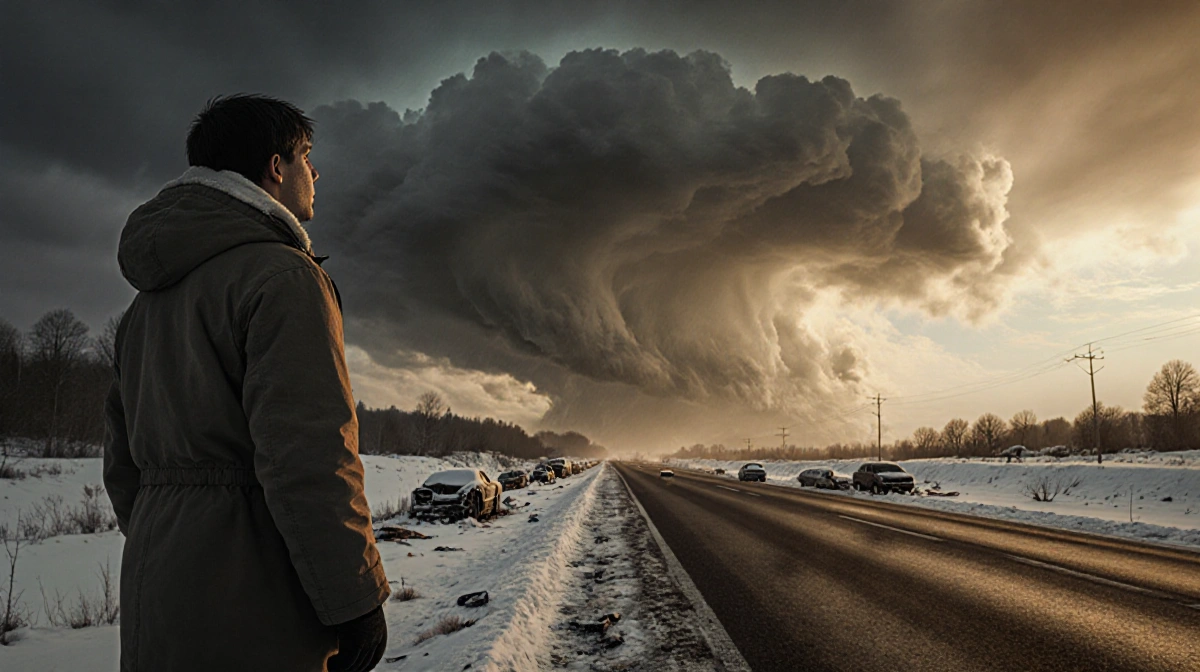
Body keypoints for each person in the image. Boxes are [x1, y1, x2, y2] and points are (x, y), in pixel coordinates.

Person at [104, 95, 389, 671]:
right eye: (307, 157)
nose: (316, 173)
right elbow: (309, 455)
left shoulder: (146, 302)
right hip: (253, 593)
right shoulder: (284, 278)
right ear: (275, 169)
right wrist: (355, 599)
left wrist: (180, 527)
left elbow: (121, 462)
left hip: (155, 587)